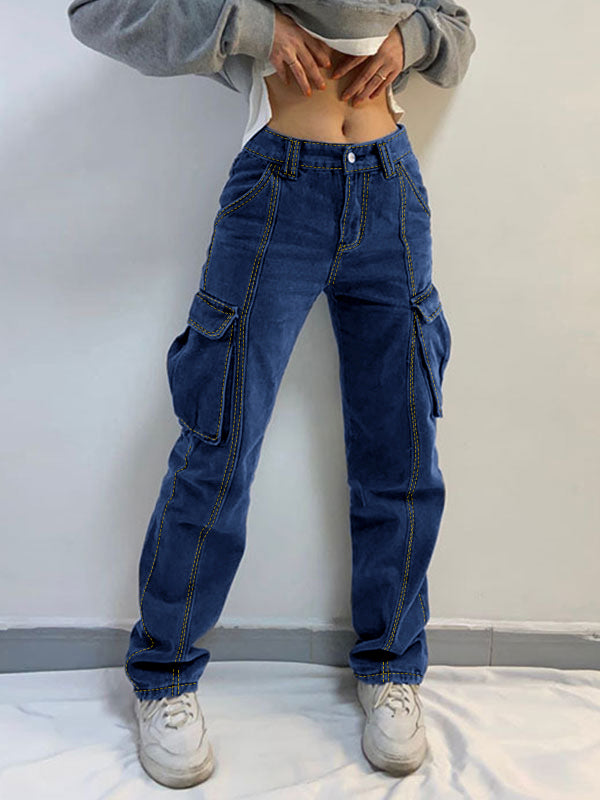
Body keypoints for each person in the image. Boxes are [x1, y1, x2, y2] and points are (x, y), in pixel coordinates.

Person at [67, 0, 476, 788]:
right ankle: (165, 675)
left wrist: (413, 39)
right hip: (279, 188)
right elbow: (98, 12)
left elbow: (455, 27)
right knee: (217, 448)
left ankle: (393, 667)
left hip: (391, 186)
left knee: (403, 452)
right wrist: (253, 27)